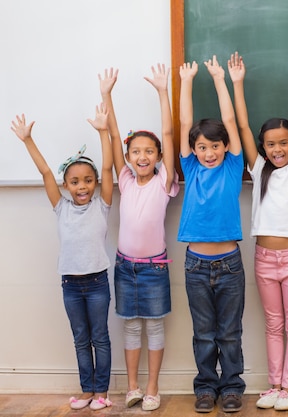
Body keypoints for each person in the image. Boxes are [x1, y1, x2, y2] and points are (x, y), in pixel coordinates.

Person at [10, 105, 113, 411]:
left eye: (87, 180)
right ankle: (86, 390)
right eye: (75, 182)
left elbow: (108, 169)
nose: (82, 186)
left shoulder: (102, 205)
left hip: (97, 283)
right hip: (70, 283)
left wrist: (102, 132)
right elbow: (44, 172)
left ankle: (102, 392)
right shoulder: (61, 207)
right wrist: (28, 140)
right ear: (66, 186)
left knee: (101, 338)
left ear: (94, 182)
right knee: (81, 339)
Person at [227, 52, 288, 411]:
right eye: (271, 143)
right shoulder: (259, 168)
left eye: (284, 142)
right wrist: (238, 83)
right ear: (264, 147)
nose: (277, 148)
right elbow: (242, 127)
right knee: (273, 324)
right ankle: (274, 384)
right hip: (263, 259)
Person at [99, 64, 180, 411]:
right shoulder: (126, 181)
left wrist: (163, 92)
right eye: (136, 152)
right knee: (130, 329)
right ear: (129, 159)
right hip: (125, 267)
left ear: (159, 157)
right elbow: (116, 138)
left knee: (154, 329)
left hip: (154, 269)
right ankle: (131, 387)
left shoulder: (164, 182)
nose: (142, 156)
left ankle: (152, 388)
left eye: (150, 151)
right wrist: (107, 95)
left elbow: (168, 132)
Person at [178, 57, 246, 414]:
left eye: (214, 146)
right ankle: (206, 387)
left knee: (229, 333)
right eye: (202, 147)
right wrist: (186, 82)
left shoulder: (234, 164)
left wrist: (220, 80)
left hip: (230, 264)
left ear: (224, 147)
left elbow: (231, 121)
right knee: (203, 333)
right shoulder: (189, 166)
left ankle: (232, 387)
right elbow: (186, 123)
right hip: (196, 265)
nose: (208, 152)